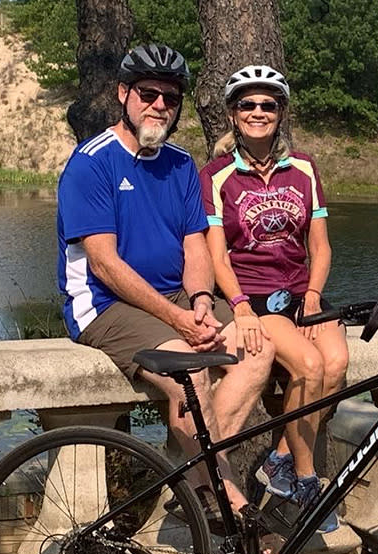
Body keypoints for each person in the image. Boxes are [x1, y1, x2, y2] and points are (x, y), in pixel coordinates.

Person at [56, 44, 274, 517]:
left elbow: (195, 245)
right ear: (123, 94)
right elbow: (104, 265)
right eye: (148, 93)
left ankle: (195, 471)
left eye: (170, 98)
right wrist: (177, 318)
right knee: (191, 374)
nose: (159, 105)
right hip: (103, 303)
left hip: (177, 295)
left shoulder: (178, 164)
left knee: (259, 348)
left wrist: (198, 299)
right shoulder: (92, 163)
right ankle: (223, 493)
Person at [199, 65, 349, 532]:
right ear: (232, 113)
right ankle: (305, 478)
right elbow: (217, 256)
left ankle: (280, 458)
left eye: (268, 105)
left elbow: (320, 245)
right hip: (257, 301)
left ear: (280, 113)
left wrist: (314, 294)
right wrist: (240, 308)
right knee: (307, 365)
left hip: (303, 294)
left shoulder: (303, 168)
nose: (258, 112)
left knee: (338, 364)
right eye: (248, 104)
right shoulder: (217, 176)